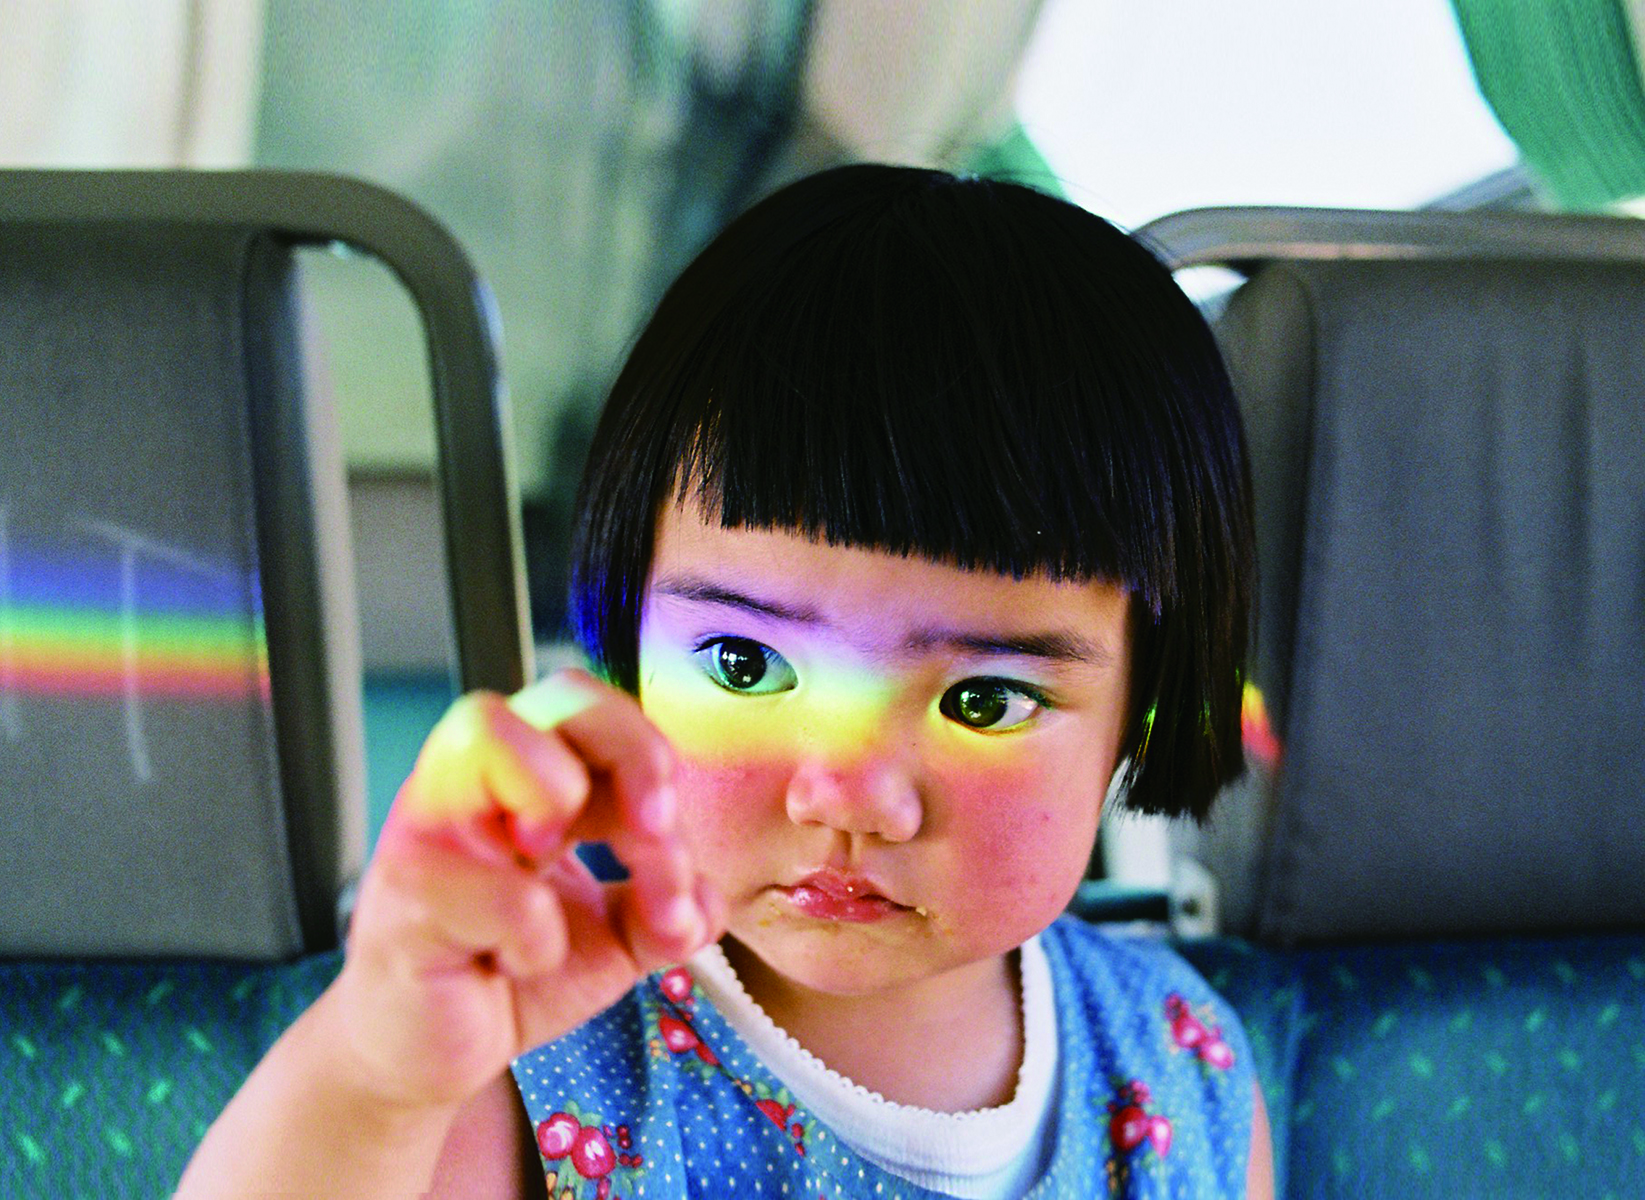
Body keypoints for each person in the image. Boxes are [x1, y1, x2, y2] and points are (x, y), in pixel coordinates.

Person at [179, 164, 1274, 1199]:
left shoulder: (1182, 1069)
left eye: (981, 701)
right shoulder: (525, 1053)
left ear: (1143, 711)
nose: (845, 797)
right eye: (744, 665)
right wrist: (376, 1076)